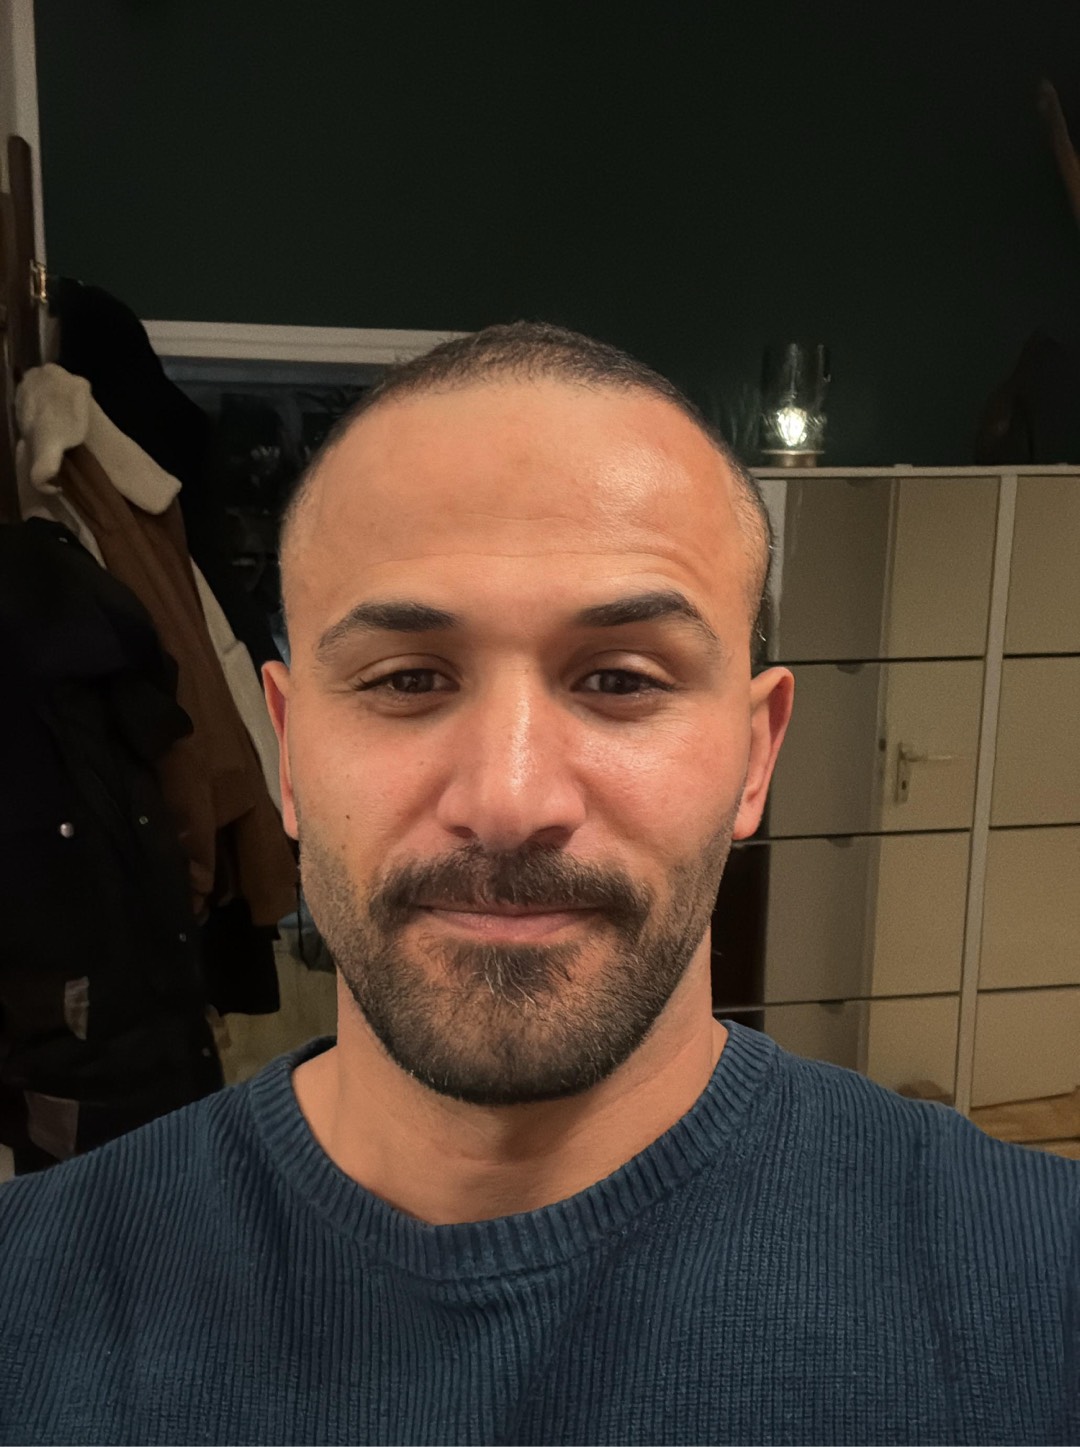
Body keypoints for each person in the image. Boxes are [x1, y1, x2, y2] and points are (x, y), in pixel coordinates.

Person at [0, 322, 1077, 1446]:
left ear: (757, 757)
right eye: (408, 679)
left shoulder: (1042, 1295)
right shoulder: (27, 1300)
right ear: (289, 752)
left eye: (620, 679)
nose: (510, 798)